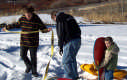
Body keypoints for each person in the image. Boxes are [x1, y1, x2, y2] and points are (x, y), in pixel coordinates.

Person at [2, 5, 52, 77]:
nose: (28, 16)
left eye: (29, 15)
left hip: (33, 42)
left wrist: (47, 30)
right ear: (24, 14)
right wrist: (7, 27)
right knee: (22, 55)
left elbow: (42, 28)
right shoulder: (22, 18)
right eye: (26, 14)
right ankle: (29, 66)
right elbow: (16, 24)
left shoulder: (36, 19)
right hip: (24, 41)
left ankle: (34, 72)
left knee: (33, 58)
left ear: (32, 13)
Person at [51, 11, 81, 80]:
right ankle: (75, 76)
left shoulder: (60, 19)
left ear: (54, 16)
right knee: (72, 59)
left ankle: (69, 78)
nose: (55, 21)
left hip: (70, 41)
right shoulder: (69, 17)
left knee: (66, 61)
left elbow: (60, 33)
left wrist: (60, 46)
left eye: (54, 20)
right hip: (78, 40)